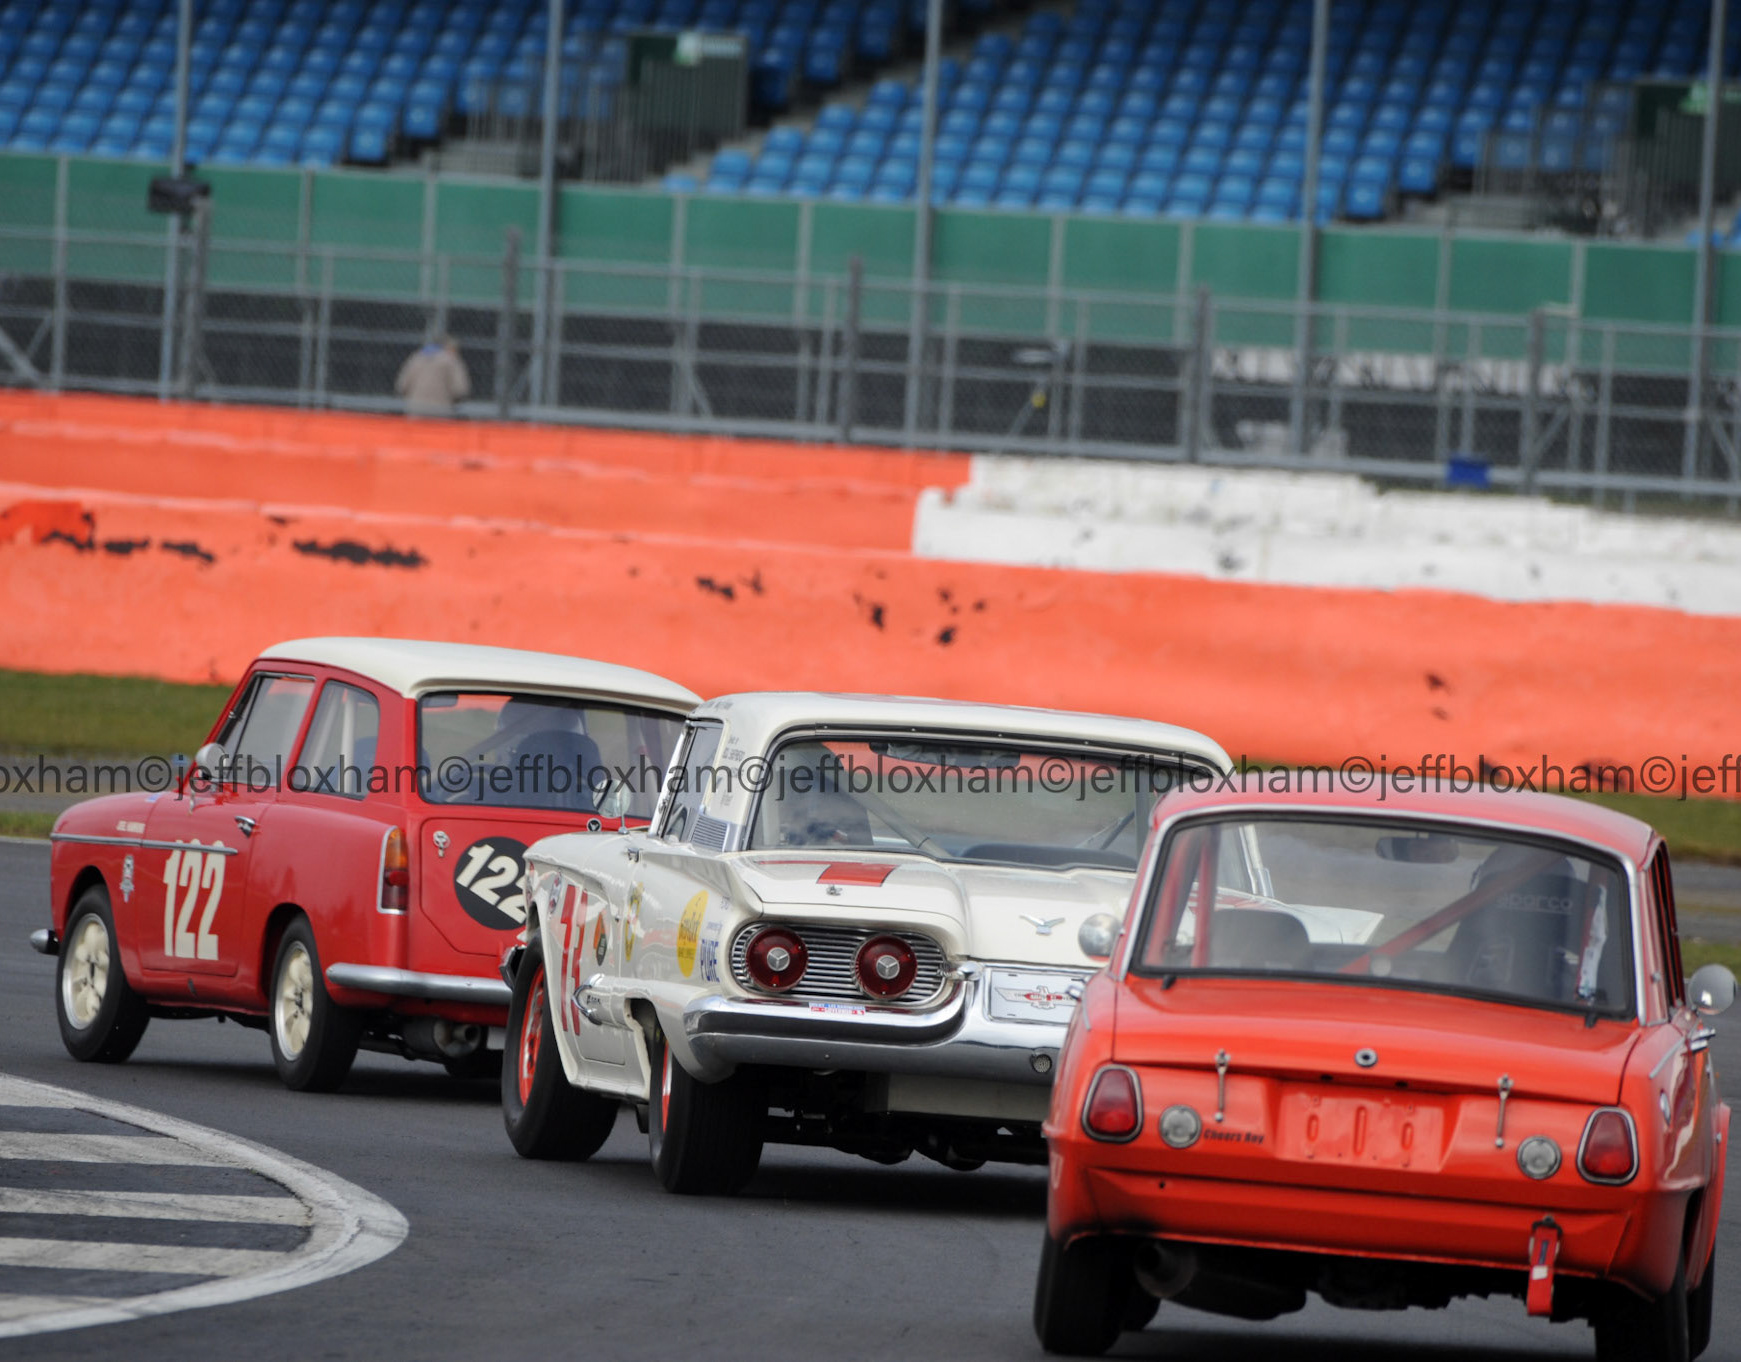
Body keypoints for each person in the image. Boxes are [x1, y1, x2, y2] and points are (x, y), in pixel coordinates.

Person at [395, 335, 470, 417]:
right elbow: (460, 389)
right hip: (440, 410)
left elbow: (402, 386)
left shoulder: (416, 358)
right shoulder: (451, 361)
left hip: (415, 409)